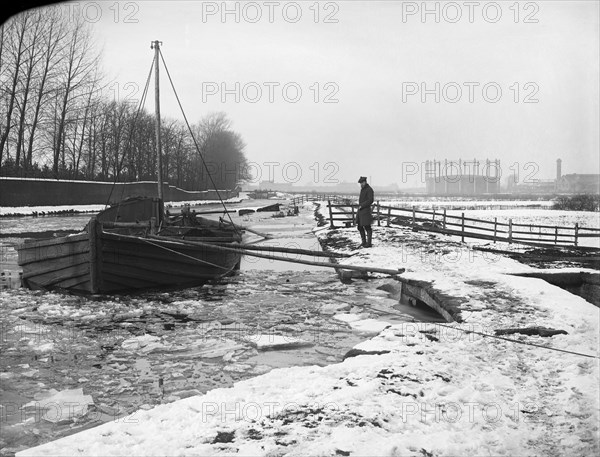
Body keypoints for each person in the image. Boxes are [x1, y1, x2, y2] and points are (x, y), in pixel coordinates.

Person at [356, 176, 374, 247]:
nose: (361, 184)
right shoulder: (362, 189)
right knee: (359, 227)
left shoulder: (369, 189)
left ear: (365, 182)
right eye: (360, 183)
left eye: (362, 183)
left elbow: (370, 200)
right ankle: (364, 242)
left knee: (367, 227)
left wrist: (362, 205)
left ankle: (369, 243)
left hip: (365, 211)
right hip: (361, 211)